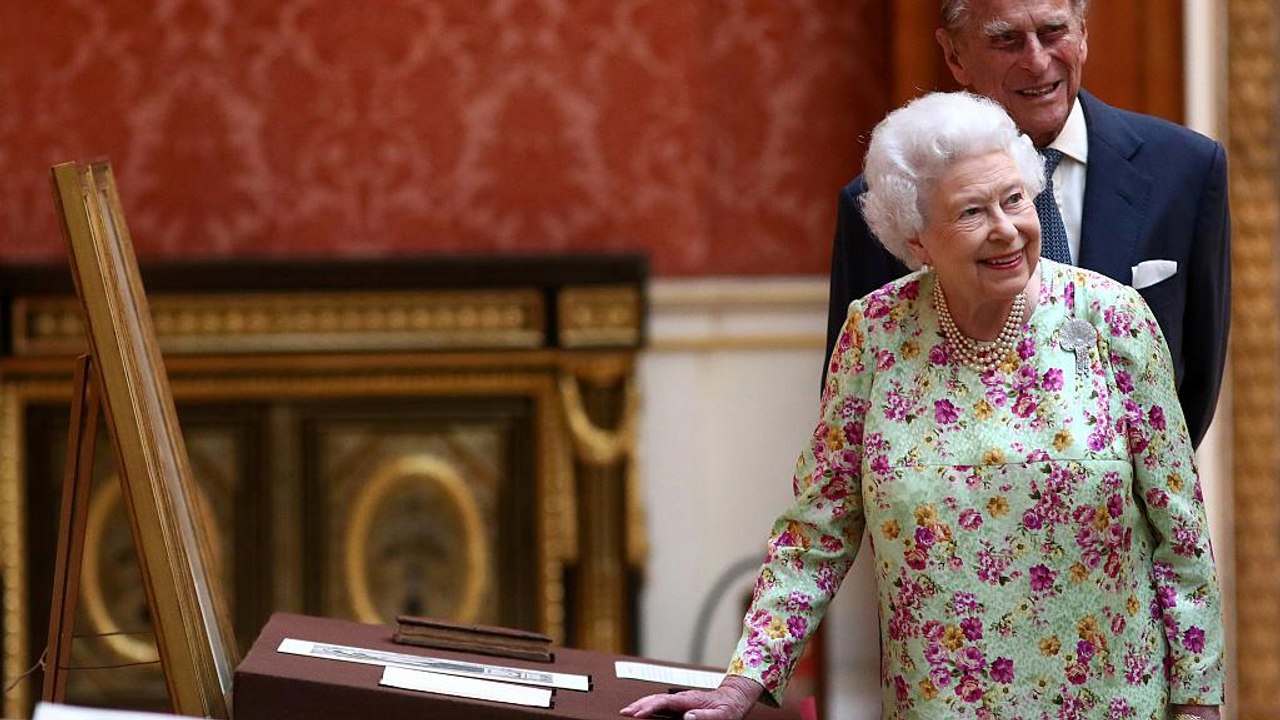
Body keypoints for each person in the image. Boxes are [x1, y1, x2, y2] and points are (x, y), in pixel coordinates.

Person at [621, 91, 1223, 720]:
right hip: (938, 705)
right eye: (971, 212)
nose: (1005, 228)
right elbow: (818, 527)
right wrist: (744, 682)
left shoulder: (1113, 320)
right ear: (917, 237)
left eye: (1014, 199)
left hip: (1112, 702)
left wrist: (1199, 702)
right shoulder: (876, 333)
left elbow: (1180, 535)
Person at [825, 0, 1231, 449]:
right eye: (1006, 40)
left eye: (1054, 32)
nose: (1037, 62)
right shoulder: (891, 204)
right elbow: (853, 411)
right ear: (954, 55)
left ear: (1084, 34)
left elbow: (1195, 385)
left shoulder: (1187, 172)